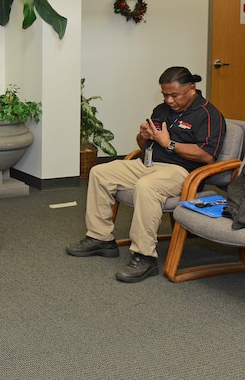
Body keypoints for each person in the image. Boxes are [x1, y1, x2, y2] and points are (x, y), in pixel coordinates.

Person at [66, 66, 226, 283]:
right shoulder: (161, 110)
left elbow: (207, 156)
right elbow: (144, 145)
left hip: (181, 171)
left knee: (146, 187)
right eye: (165, 94)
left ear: (191, 89)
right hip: (148, 163)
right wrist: (142, 136)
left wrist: (169, 144)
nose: (169, 100)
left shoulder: (208, 114)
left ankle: (145, 256)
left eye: (174, 95)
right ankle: (100, 238)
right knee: (100, 172)